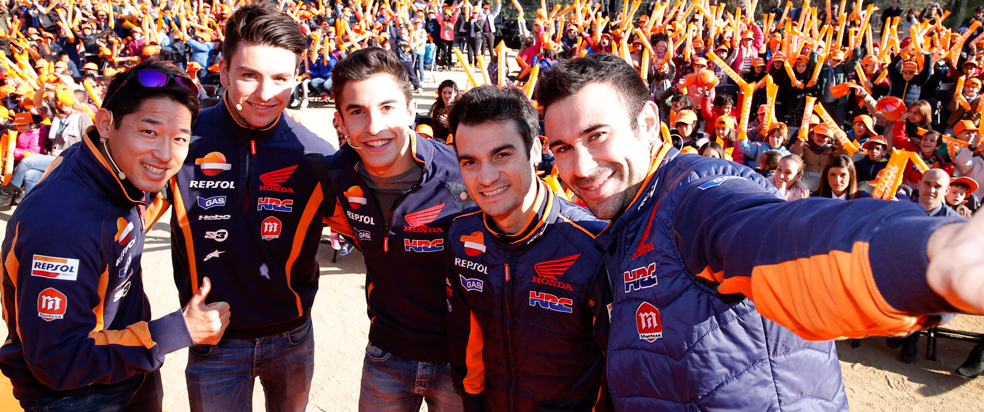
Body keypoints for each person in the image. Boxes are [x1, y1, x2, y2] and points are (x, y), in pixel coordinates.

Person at [536, 54, 984, 410]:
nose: (581, 167)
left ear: (649, 123)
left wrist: (930, 260)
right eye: (562, 147)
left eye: (597, 136)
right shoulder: (629, 214)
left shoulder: (696, 196)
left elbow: (773, 236)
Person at [0, 59, 230, 410]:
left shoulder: (109, 165)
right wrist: (177, 331)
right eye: (148, 132)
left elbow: (135, 212)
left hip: (126, 362)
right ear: (106, 123)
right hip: (75, 395)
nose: (167, 155)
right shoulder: (63, 228)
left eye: (179, 138)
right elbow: (58, 361)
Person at [163, 5, 335, 411]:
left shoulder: (316, 156)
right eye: (248, 75)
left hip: (292, 339)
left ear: (297, 79)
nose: (264, 94)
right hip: (213, 341)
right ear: (222, 72)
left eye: (280, 78)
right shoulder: (180, 141)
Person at [444, 85, 613, 411]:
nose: (486, 177)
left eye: (501, 155)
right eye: (470, 162)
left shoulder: (595, 243)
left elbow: (618, 365)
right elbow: (466, 341)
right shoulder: (459, 236)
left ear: (536, 149)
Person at [330, 47, 471, 411]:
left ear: (411, 110)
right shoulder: (334, 175)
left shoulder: (463, 173)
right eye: (357, 112)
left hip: (460, 363)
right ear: (340, 122)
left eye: (387, 107)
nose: (374, 127)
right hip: (385, 355)